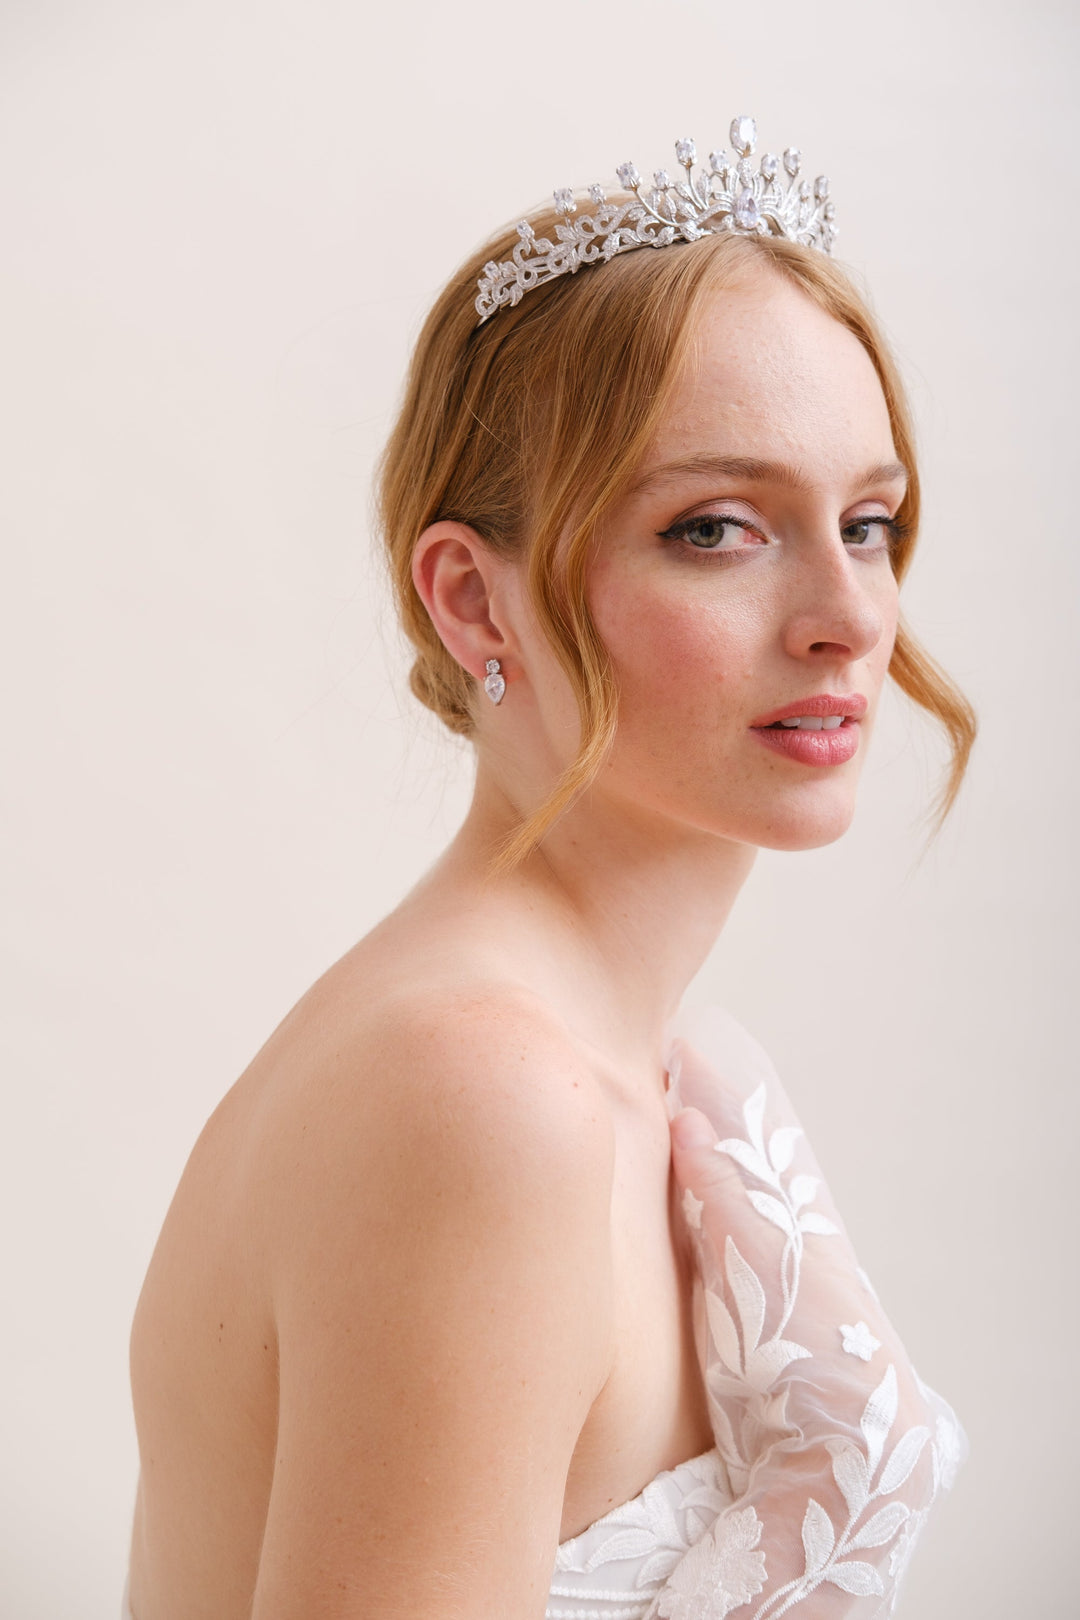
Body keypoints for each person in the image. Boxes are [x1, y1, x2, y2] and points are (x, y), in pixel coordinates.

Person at [124, 122, 974, 1619]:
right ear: (472, 601)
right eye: (715, 529)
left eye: (867, 523)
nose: (849, 614)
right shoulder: (482, 1101)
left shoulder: (632, 1060)